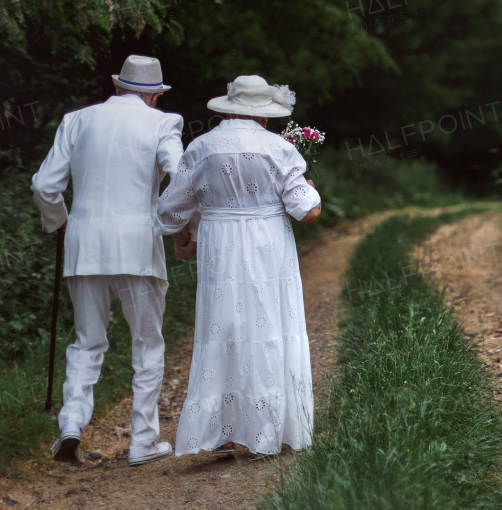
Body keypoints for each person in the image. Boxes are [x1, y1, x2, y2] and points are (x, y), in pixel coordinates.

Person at [32, 55, 186, 466]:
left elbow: (45, 185)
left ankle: (71, 422)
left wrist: (63, 223)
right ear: (154, 96)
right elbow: (180, 177)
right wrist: (175, 225)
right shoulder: (163, 123)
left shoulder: (77, 119)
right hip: (138, 246)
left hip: (84, 246)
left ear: (118, 87)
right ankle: (143, 441)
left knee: (87, 342)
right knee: (147, 343)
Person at [157, 74, 321, 457]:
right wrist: (312, 189)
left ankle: (223, 429)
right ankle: (271, 426)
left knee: (225, 325)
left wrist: (185, 237)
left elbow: (169, 210)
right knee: (270, 323)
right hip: (268, 243)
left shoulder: (201, 147)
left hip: (220, 245)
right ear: (263, 114)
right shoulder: (277, 148)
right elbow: (307, 211)